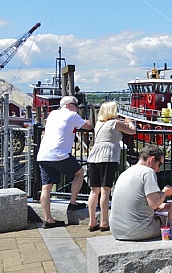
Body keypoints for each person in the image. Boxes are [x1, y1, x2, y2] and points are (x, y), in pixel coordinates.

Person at [37, 96, 93, 229]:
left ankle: (48, 219)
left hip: (43, 154)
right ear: (68, 105)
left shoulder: (52, 114)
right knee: (80, 172)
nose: (77, 108)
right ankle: (73, 202)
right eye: (75, 105)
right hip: (59, 154)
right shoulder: (72, 115)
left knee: (46, 187)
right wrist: (87, 121)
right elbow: (89, 127)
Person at [86, 101, 136, 232]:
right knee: (105, 190)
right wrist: (129, 121)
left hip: (93, 157)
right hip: (108, 157)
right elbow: (132, 131)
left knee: (94, 191)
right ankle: (103, 221)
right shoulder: (115, 123)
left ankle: (91, 221)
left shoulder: (98, 124)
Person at [109, 144, 172, 241]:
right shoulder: (148, 172)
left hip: (117, 231)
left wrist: (166, 205)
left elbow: (140, 203)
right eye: (160, 164)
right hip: (139, 231)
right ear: (152, 159)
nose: (158, 170)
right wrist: (165, 193)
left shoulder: (125, 172)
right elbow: (153, 204)